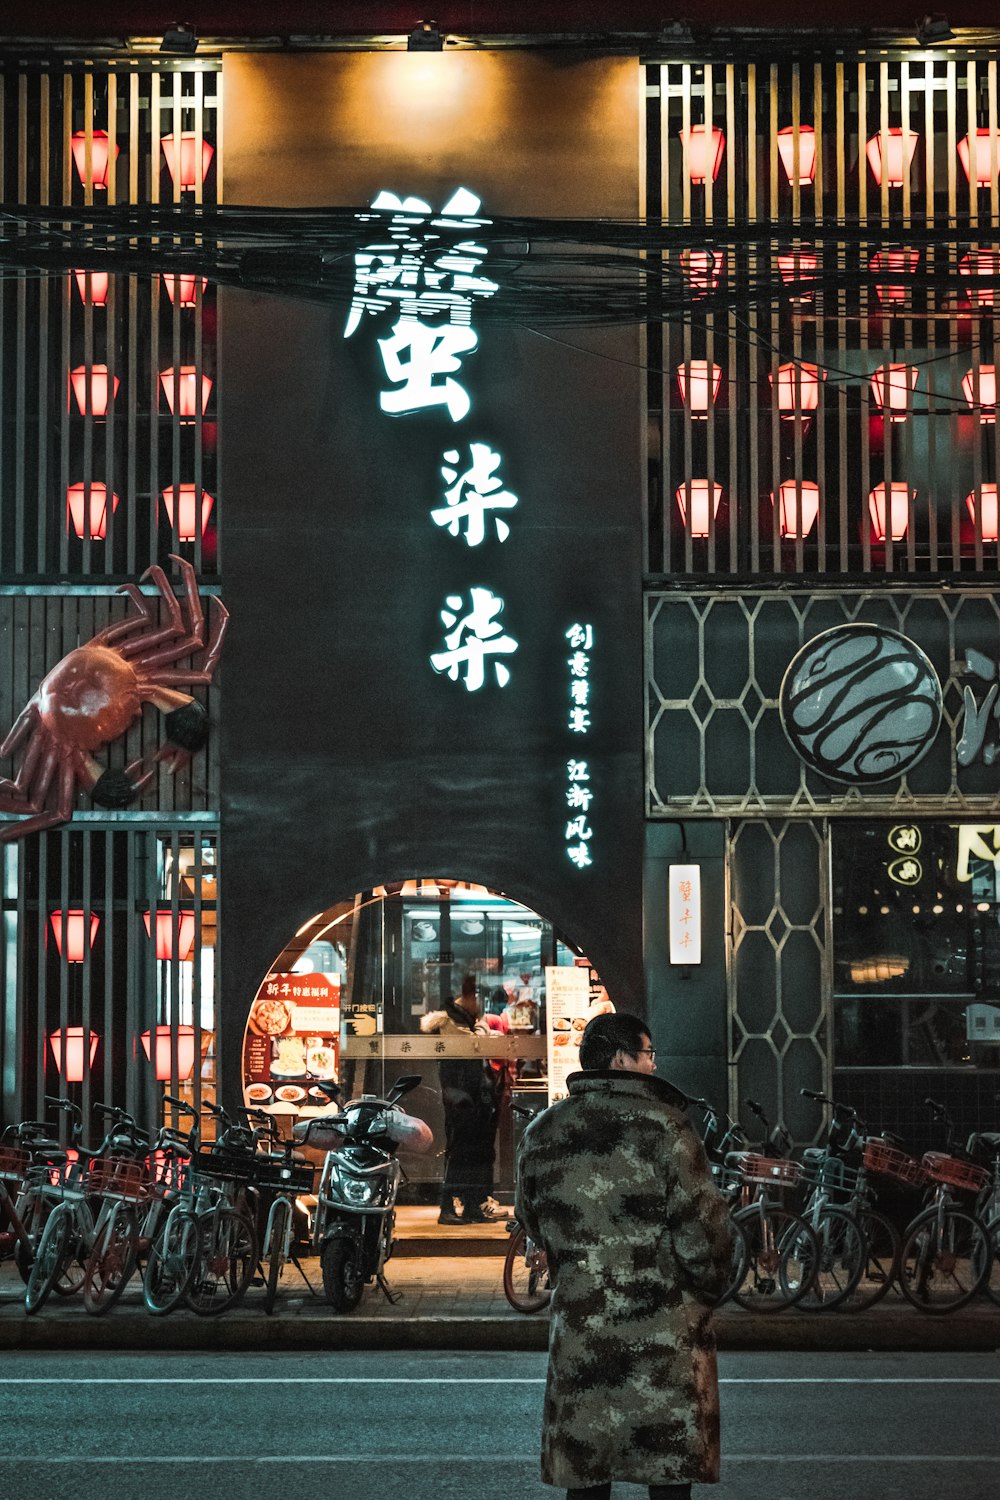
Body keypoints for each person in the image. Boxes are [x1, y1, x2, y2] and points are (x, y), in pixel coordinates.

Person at [515, 1011, 734, 1500]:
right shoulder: (667, 1128)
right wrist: (709, 1288)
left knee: (587, 1474)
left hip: (582, 1330)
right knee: (668, 1474)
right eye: (648, 1053)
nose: (654, 1065)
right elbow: (704, 1232)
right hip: (665, 1338)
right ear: (621, 1058)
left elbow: (531, 1217)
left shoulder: (544, 1130)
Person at [420, 974, 501, 1223]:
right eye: (477, 998)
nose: (481, 1005)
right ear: (467, 997)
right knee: (460, 1153)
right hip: (461, 1098)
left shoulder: (466, 1020)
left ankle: (472, 1205)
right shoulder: (449, 1023)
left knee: (478, 1153)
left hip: (476, 1097)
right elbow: (460, 1058)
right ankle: (447, 1207)